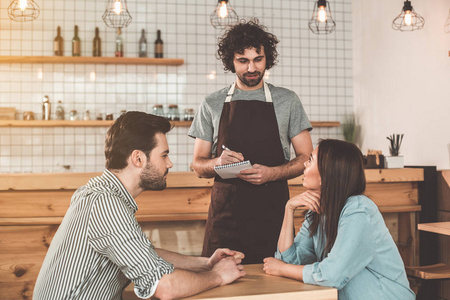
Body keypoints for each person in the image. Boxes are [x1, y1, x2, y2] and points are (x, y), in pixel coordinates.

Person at [33, 112, 245, 300]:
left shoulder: (101, 193)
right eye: (164, 155)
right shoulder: (105, 204)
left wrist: (205, 263)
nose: (169, 163)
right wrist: (217, 276)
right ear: (137, 158)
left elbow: (144, 254)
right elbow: (165, 287)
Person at [188, 19, 313, 265]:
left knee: (275, 286)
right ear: (231, 62)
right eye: (243, 61)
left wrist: (273, 173)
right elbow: (197, 165)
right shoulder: (212, 103)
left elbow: (306, 158)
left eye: (258, 59)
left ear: (268, 58)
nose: (251, 68)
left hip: (273, 215)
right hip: (226, 218)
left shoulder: (287, 100)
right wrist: (218, 162)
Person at [262, 139, 415, 300]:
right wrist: (289, 208)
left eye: (310, 160)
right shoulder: (318, 211)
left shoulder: (358, 210)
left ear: (326, 172)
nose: (305, 166)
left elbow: (331, 275)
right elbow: (289, 260)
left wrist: (282, 269)